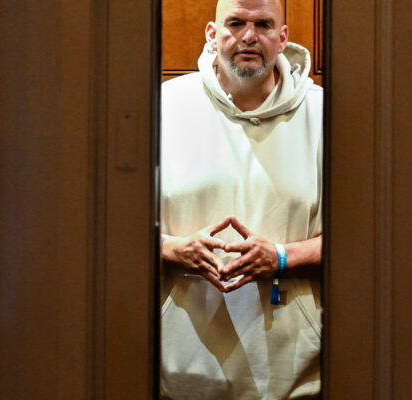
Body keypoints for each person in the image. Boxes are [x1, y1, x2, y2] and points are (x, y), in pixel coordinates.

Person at [160, 0, 322, 398]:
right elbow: (113, 228)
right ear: (212, 35)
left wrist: (282, 258)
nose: (249, 36)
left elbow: (364, 240)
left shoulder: (324, 114)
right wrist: (172, 249)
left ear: (282, 38)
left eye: (263, 24)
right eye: (235, 23)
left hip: (292, 375)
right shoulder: (164, 105)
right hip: (180, 371)